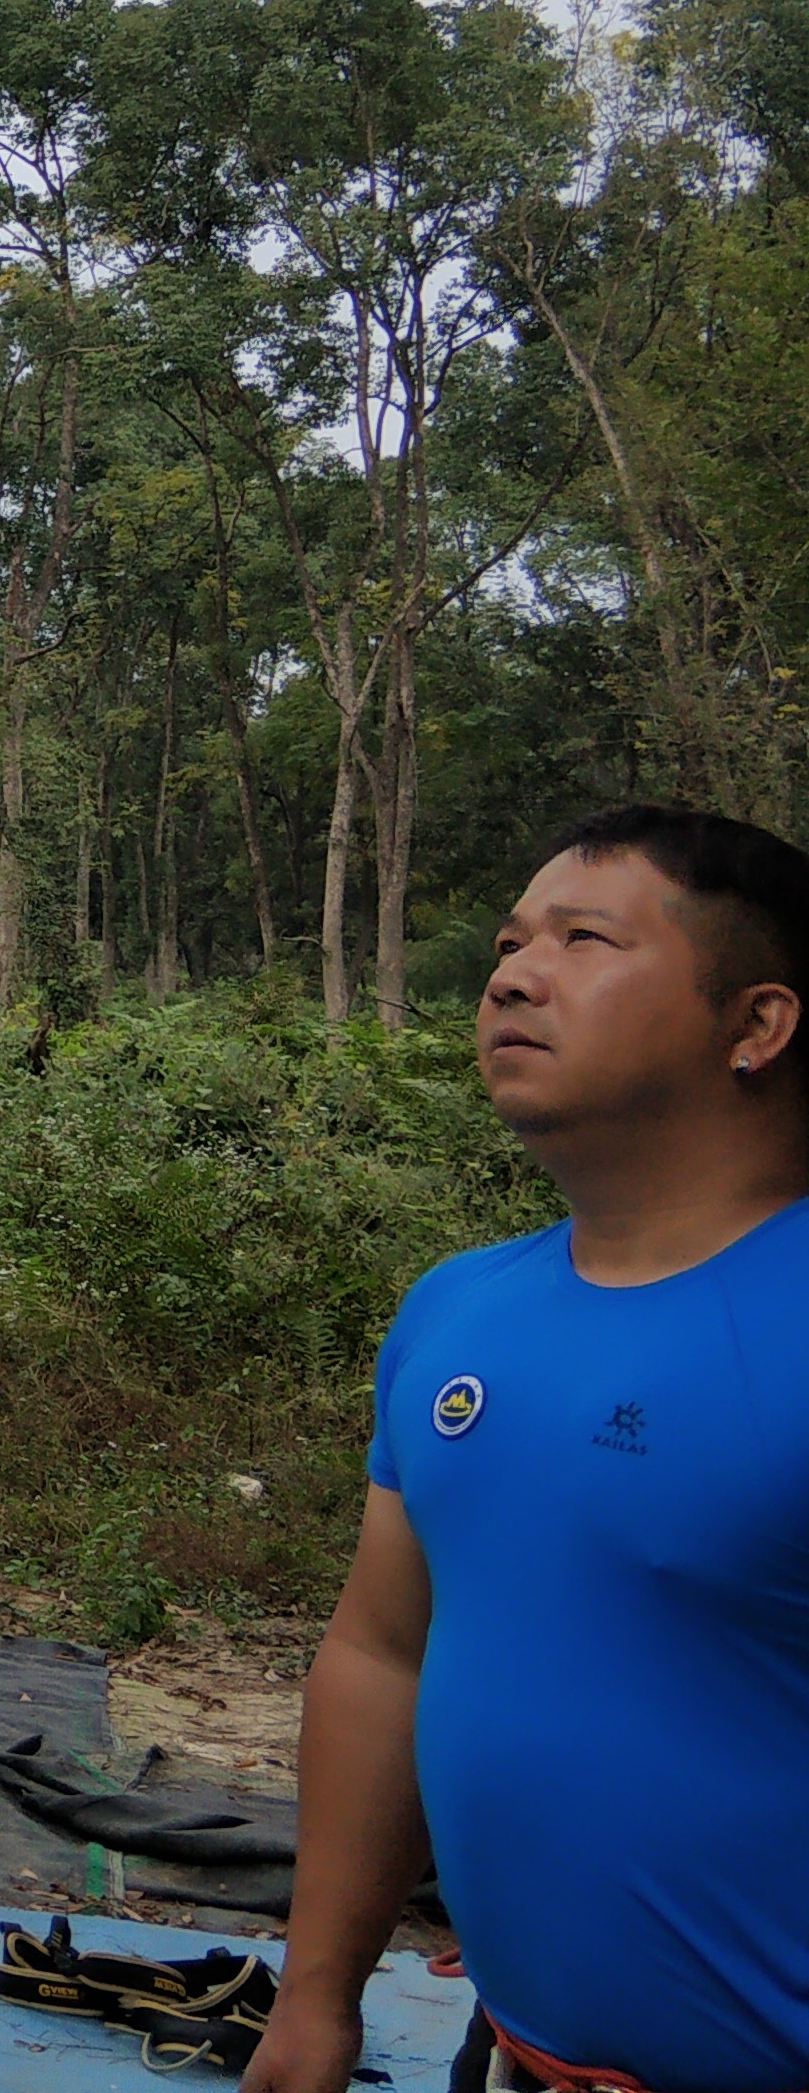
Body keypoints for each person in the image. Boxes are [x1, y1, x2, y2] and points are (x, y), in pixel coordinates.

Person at [244, 802, 809, 2093]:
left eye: (585, 938)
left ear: (758, 1024)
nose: (511, 972)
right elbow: (383, 1654)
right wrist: (315, 2004)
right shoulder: (459, 1309)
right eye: (510, 941)